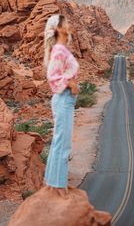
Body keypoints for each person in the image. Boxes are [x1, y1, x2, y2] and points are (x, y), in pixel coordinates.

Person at [43, 14, 79, 193]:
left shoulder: (62, 49)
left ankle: (52, 184)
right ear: (58, 28)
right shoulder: (58, 49)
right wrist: (70, 83)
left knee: (60, 143)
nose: (69, 24)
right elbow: (52, 76)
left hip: (65, 99)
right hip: (63, 98)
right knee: (62, 145)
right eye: (65, 22)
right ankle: (58, 187)